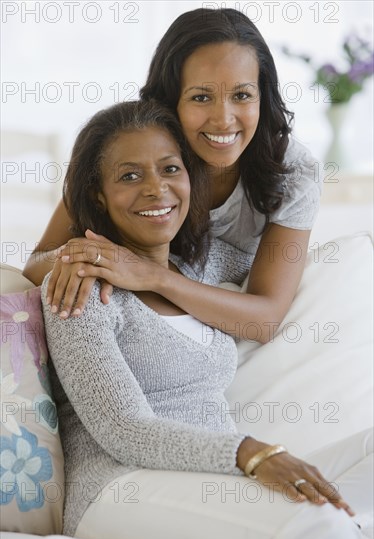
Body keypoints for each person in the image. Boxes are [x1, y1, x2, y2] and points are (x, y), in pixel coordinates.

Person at [40, 99, 370, 539]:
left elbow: (270, 279)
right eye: (130, 176)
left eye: (170, 169)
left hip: (217, 481)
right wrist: (251, 453)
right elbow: (125, 431)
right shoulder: (79, 289)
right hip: (120, 487)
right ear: (98, 194)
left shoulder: (203, 265)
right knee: (319, 527)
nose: (157, 189)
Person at [25, 8, 321, 345]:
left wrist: (153, 276)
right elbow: (35, 265)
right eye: (201, 97)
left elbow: (265, 321)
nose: (224, 120)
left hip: (221, 332)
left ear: (261, 96)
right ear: (171, 99)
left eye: (241, 95)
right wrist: (79, 258)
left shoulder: (295, 172)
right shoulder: (130, 148)